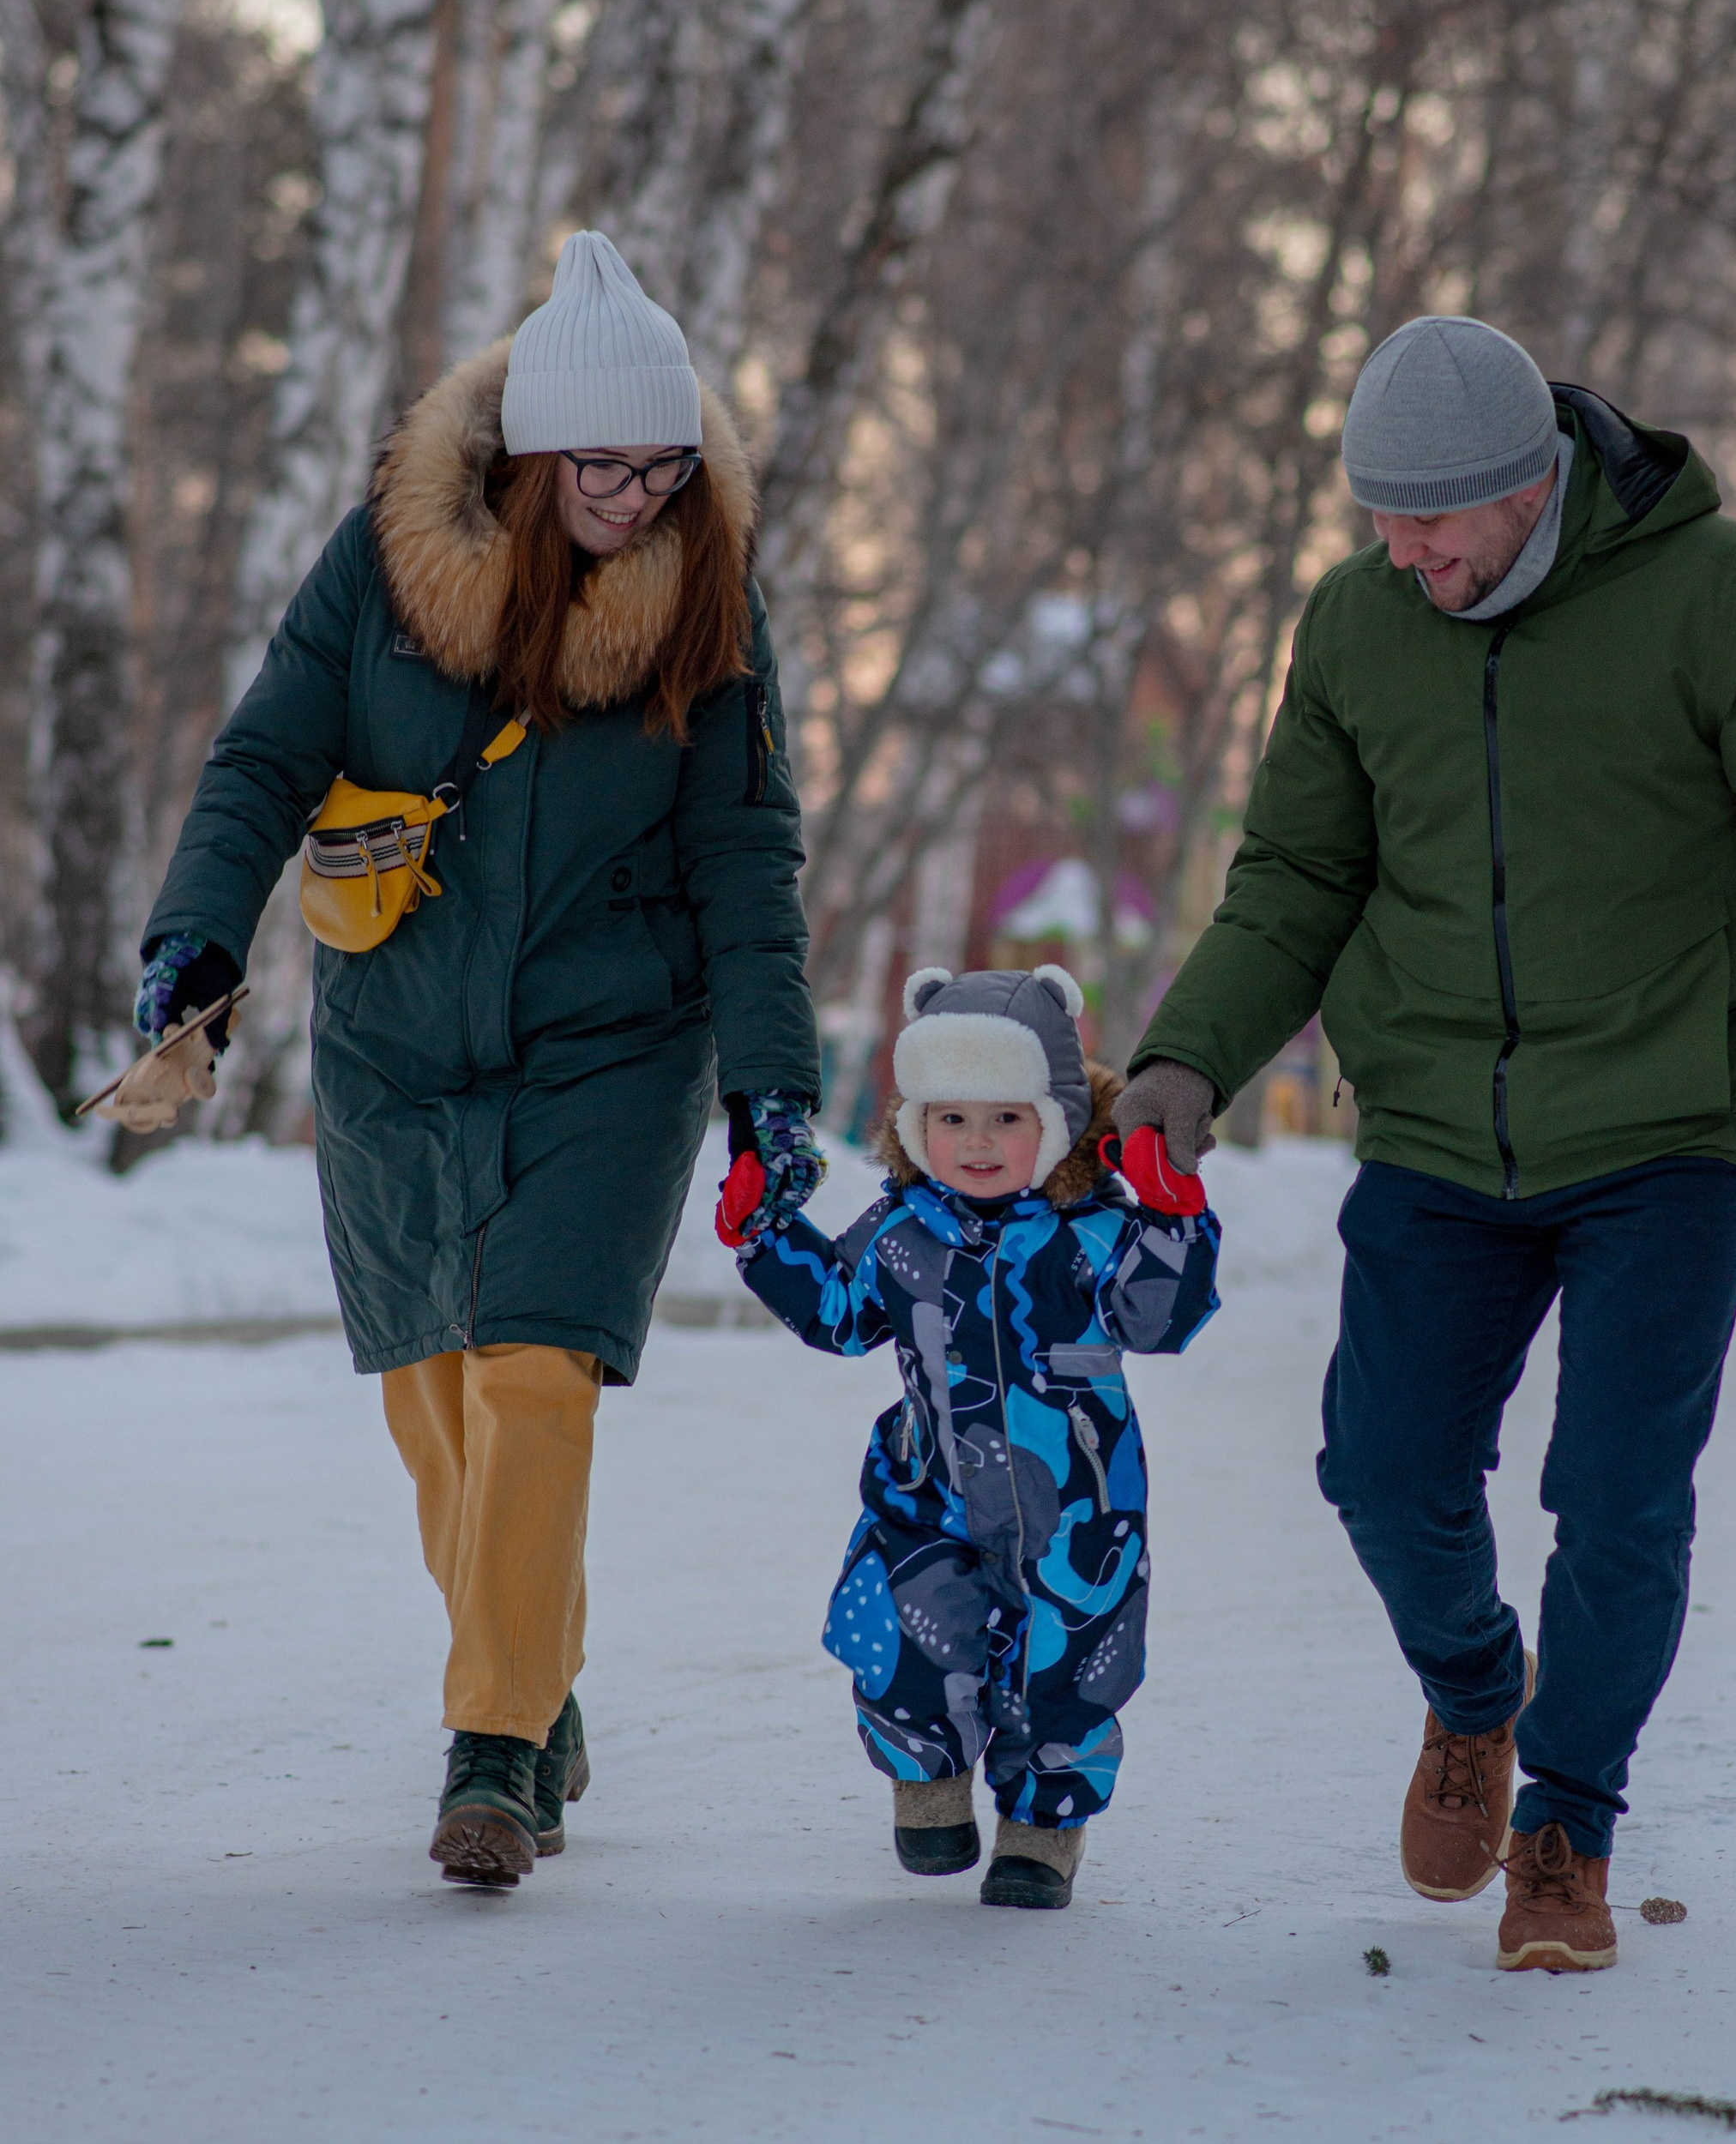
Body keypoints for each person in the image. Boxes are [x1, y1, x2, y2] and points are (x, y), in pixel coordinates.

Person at [1115, 316, 1736, 1973]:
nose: (1406, 551)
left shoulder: (1730, 599)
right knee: (1384, 1465)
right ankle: (1477, 1697)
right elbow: (1295, 878)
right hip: (1437, 1122)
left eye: (1436, 520)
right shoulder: (1357, 627)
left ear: (1534, 483)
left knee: (1620, 1497)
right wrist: (1183, 1062)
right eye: (1380, 518)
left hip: (1673, 1122)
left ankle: (1567, 1825)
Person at [135, 232, 822, 1887]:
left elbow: (748, 849)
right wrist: (200, 936)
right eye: (606, 463)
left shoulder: (707, 585)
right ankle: (537, 1671)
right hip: (401, 1034)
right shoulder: (383, 564)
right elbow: (265, 757)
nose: (641, 493)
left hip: (615, 1042)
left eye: (664, 463)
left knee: (533, 1373)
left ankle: (494, 1751)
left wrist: (772, 1082)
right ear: (527, 454)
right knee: (433, 1403)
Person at [728, 965, 1220, 1910]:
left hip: (1077, 1504)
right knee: (910, 1634)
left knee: (1068, 1657)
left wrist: (1174, 1217)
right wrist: (762, 1234)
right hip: (928, 1489)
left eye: (1007, 1116)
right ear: (916, 1128)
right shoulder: (903, 1230)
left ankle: (1042, 1825)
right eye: (950, 1119)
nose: (979, 1142)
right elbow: (838, 1310)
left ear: (1059, 1120)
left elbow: (1161, 1319)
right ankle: (928, 1779)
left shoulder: (1092, 1233)